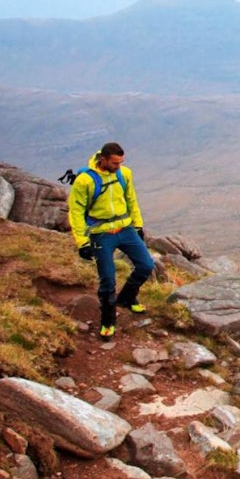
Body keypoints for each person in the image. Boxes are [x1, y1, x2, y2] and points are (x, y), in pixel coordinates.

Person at [67, 142, 154, 340]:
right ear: (103, 160)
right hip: (101, 234)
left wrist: (138, 226)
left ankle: (126, 298)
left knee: (146, 265)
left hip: (125, 228)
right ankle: (107, 321)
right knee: (107, 279)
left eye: (121, 162)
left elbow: (131, 199)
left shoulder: (124, 174)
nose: (118, 167)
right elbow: (76, 212)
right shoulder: (84, 181)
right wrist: (83, 242)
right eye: (115, 163)